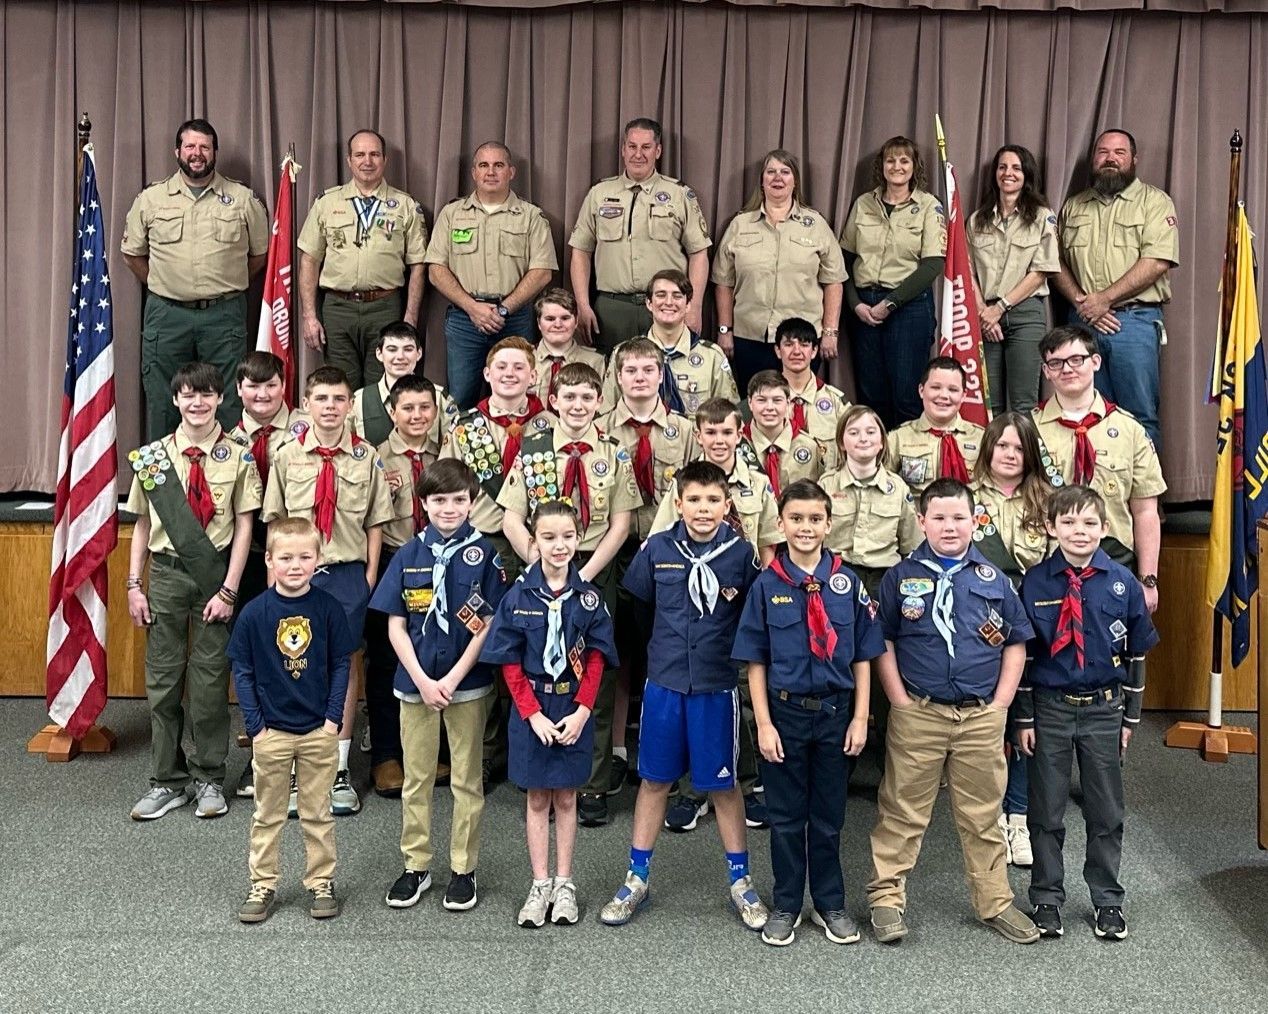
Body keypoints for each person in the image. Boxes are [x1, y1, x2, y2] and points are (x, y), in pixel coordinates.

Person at [867, 478, 1039, 945]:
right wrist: (898, 699)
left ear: (975, 520)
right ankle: (886, 898)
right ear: (921, 521)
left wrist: (1002, 703)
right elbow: (880, 638)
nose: (949, 526)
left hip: (981, 715)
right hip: (919, 711)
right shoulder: (900, 577)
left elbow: (1016, 643)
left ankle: (995, 902)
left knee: (983, 814)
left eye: (959, 517)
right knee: (902, 809)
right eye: (938, 517)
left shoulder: (995, 579)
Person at [599, 461, 767, 931]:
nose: (703, 509)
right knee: (654, 779)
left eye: (714, 500)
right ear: (678, 503)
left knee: (724, 783)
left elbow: (751, 620)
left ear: (727, 505)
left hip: (716, 685)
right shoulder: (656, 550)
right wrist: (664, 656)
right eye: (694, 499)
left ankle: (740, 880)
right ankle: (637, 876)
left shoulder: (741, 555)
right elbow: (640, 612)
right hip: (666, 684)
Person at [735, 479, 885, 946]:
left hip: (838, 715)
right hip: (784, 715)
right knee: (784, 816)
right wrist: (762, 723)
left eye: (814, 518)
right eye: (796, 519)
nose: (805, 527)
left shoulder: (846, 582)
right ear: (780, 524)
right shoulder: (766, 585)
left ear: (828, 522)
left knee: (828, 814)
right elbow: (755, 660)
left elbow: (863, 655)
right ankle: (785, 903)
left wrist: (861, 717)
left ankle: (829, 901)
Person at [498, 362, 641, 827]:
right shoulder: (533, 450)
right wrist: (540, 562)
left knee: (590, 682)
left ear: (599, 403)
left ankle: (592, 783)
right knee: (535, 668)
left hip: (592, 576)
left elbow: (622, 524)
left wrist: (583, 574)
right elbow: (511, 518)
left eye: (587, 398)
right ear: (553, 400)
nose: (578, 406)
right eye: (569, 397)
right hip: (540, 577)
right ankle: (536, 774)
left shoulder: (615, 453)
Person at [1016, 484, 1158, 941]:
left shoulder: (1123, 582)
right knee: (1046, 810)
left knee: (1105, 810)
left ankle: (1108, 900)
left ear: (1105, 527)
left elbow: (1137, 654)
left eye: (1090, 523)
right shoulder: (1034, 582)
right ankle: (1046, 897)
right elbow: (1023, 657)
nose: (1080, 531)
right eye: (1069, 522)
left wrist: (1131, 718)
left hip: (1104, 710)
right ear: (1051, 527)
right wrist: (1023, 718)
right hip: (1050, 709)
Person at [370, 459, 508, 914]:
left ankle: (463, 869)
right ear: (423, 504)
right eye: (439, 501)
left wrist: (450, 679)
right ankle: (416, 865)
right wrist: (423, 681)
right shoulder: (408, 555)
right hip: (416, 686)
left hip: (466, 685)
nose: (449, 509)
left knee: (468, 779)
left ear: (472, 502)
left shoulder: (486, 554)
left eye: (459, 500)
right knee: (417, 778)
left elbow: (487, 625)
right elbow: (395, 627)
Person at [125, 362, 261, 821]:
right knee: (162, 684)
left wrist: (228, 589)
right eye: (188, 395)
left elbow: (244, 527)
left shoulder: (239, 455)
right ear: (176, 399)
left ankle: (208, 777)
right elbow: (142, 524)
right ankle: (167, 780)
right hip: (164, 574)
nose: (197, 403)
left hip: (214, 577)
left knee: (207, 683)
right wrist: (133, 584)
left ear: (220, 399)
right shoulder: (153, 457)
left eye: (206, 394)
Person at [263, 365, 396, 816]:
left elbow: (377, 520)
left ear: (350, 405)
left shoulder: (367, 457)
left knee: (344, 665)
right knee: (295, 663)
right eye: (322, 399)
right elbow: (275, 519)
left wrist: (369, 576)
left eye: (340, 399)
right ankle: (302, 771)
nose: (331, 407)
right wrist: (273, 581)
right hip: (297, 575)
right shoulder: (286, 455)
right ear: (307, 403)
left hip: (346, 575)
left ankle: (338, 768)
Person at [481, 501, 619, 927]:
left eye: (567, 537)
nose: (559, 546)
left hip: (571, 705)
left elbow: (596, 659)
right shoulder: (517, 597)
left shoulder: (590, 598)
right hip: (534, 708)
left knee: (567, 797)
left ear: (579, 539)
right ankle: (539, 883)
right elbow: (509, 662)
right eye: (548, 537)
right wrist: (531, 714)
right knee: (538, 797)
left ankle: (565, 882)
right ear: (533, 541)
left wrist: (582, 712)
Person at [649, 398, 782, 831]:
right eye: (711, 432)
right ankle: (692, 792)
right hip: (690, 606)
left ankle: (741, 783)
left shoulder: (757, 484)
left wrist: (761, 593)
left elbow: (767, 543)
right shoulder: (682, 486)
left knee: (740, 695)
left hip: (742, 598)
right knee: (693, 692)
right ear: (699, 435)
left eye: (727, 431)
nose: (719, 440)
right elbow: (663, 541)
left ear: (739, 433)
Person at [440, 335, 554, 786]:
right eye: (500, 367)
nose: (509, 374)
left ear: (533, 374)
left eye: (519, 367)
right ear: (486, 374)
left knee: (534, 646)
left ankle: (529, 747)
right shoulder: (466, 427)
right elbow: (449, 486)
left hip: (535, 544)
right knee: (483, 644)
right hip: (481, 545)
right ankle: (484, 752)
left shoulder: (551, 423)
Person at [230, 518, 355, 924]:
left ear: (318, 560)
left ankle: (320, 881)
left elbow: (341, 664)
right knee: (268, 813)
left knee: (318, 812)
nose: (295, 565)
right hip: (272, 732)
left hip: (318, 731)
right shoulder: (254, 614)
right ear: (269, 560)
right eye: (285, 557)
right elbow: (243, 672)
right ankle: (263, 883)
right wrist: (256, 728)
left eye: (305, 556)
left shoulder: (328, 609)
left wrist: (333, 720)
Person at [121, 118, 269, 439]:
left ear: (215, 152)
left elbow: (259, 255)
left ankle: (226, 479)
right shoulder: (151, 199)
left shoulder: (243, 199)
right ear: (178, 151)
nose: (197, 153)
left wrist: (224, 285)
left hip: (224, 314)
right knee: (163, 401)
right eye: (190, 146)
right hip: (167, 314)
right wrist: (165, 284)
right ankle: (164, 484)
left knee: (229, 398)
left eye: (204, 146)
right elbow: (132, 254)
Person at [1053, 129, 1179, 446]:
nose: (1110, 158)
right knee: (1085, 412)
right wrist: (1086, 304)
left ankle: (1144, 496)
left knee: (1139, 415)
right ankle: (1097, 495)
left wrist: (1105, 300)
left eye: (1119, 152)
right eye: (1103, 151)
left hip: (1133, 322)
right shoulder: (1073, 206)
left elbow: (1157, 261)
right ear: (1094, 159)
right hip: (1083, 323)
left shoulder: (1154, 202)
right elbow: (1054, 262)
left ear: (1133, 160)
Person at [1030, 327, 1165, 614]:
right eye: (1056, 363)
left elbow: (1145, 511)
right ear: (1046, 371)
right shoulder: (1029, 430)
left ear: (1095, 362)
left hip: (1115, 563)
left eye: (1077, 359)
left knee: (1120, 654)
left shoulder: (1130, 430)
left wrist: (1148, 579)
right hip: (1048, 566)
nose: (1067, 369)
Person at [969, 411, 1053, 867]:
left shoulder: (1046, 500)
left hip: (1033, 622)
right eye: (1002, 445)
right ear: (988, 448)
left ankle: (1017, 816)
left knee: (1025, 719)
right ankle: (987, 816)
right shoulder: (966, 497)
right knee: (988, 720)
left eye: (1018, 448)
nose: (1009, 454)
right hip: (980, 624)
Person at [426, 141, 558, 407]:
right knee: (461, 398)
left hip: (515, 318)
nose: (491, 172)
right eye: (483, 165)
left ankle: (514, 448)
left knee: (518, 395)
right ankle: (458, 448)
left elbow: (542, 272)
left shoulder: (531, 216)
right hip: (465, 320)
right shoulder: (452, 214)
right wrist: (473, 308)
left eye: (498, 165)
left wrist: (504, 310)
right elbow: (436, 270)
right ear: (474, 172)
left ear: (511, 171)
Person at [297, 129, 429, 389]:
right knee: (340, 385)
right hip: (337, 309)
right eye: (359, 154)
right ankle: (346, 432)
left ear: (384, 160)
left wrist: (410, 317)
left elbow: (418, 266)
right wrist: (310, 317)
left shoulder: (405, 205)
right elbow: (309, 261)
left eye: (374, 154)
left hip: (385, 307)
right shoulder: (326, 202)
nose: (367, 161)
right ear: (349, 160)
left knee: (384, 384)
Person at [569, 117, 712, 354]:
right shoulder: (599, 193)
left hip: (664, 307)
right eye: (632, 146)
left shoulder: (679, 194)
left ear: (658, 151)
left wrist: (694, 307)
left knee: (665, 378)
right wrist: (583, 305)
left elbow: (699, 253)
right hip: (612, 309)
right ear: (623, 150)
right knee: (612, 376)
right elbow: (580, 251)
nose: (638, 154)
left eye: (646, 147)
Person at [364, 374, 443, 799]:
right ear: (392, 412)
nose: (417, 416)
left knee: (437, 654)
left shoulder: (447, 455)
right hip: (397, 561)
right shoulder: (375, 458)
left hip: (440, 563)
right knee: (385, 660)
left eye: (424, 407)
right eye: (407, 408)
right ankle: (386, 754)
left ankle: (434, 751)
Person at [712, 149, 847, 392]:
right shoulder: (740, 224)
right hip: (750, 336)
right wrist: (725, 330)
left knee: (797, 404)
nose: (778, 178)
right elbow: (723, 282)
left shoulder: (815, 225)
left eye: (785, 172)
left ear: (795, 181)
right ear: (762, 181)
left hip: (801, 339)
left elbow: (834, 281)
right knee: (754, 403)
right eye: (771, 172)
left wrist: (830, 332)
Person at [839, 136, 947, 428]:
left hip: (908, 308)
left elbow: (933, 263)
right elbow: (844, 260)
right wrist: (855, 304)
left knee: (906, 395)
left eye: (904, 160)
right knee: (872, 395)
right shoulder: (864, 204)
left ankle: (908, 464)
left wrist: (890, 303)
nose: (896, 166)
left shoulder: (928, 206)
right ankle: (875, 462)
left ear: (914, 166)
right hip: (864, 307)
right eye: (890, 160)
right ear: (881, 165)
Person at [225, 350, 294, 800]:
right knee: (254, 655)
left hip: (296, 561)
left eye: (270, 385)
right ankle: (261, 753)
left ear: (283, 387)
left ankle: (299, 757)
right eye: (252, 386)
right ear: (239, 391)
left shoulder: (311, 430)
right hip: (246, 558)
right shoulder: (226, 440)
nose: (262, 394)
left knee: (296, 654)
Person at [967, 145, 1060, 414]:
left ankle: (1023, 457)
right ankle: (992, 457)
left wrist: (1001, 307)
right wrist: (985, 312)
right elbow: (967, 272)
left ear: (1026, 174)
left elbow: (1042, 270)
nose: (1008, 173)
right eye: (1002, 167)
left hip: (1025, 314)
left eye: (1016, 168)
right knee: (989, 405)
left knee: (1023, 403)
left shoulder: (1043, 216)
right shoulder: (976, 221)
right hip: (985, 317)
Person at [601, 269, 738, 414]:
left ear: (688, 305)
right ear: (649, 303)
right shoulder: (623, 354)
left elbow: (729, 416)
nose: (668, 302)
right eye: (661, 295)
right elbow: (606, 414)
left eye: (677, 296)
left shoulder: (712, 357)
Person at [887, 356, 985, 494]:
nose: (944, 395)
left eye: (953, 390)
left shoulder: (982, 438)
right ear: (921, 390)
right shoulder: (898, 438)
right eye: (935, 387)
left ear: (964, 395)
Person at [774, 317, 851, 472]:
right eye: (788, 345)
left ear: (814, 351)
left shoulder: (836, 402)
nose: (797, 351)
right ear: (777, 350)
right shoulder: (762, 403)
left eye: (804, 345)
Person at [745, 370, 824, 498]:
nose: (769, 407)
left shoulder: (810, 447)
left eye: (777, 400)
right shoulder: (737, 446)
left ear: (787, 403)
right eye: (761, 400)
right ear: (749, 403)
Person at [530, 289, 605, 404]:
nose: (558, 324)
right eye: (550, 319)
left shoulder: (596, 362)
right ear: (539, 323)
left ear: (576, 322)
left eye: (565, 318)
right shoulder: (523, 360)